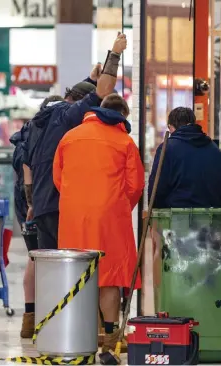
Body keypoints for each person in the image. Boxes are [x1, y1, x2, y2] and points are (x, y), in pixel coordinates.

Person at [53, 94, 145, 352]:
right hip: (110, 218)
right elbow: (135, 185)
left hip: (73, 218)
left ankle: (86, 335)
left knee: (81, 274)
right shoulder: (124, 141)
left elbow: (58, 179)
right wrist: (119, 206)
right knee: (110, 275)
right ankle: (111, 337)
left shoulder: (69, 138)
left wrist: (76, 201)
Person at [23, 33, 128, 250]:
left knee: (49, 271)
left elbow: (27, 166)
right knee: (71, 273)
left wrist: (31, 202)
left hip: (42, 206)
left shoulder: (41, 119)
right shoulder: (69, 117)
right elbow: (103, 91)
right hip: (62, 207)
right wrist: (115, 54)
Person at [9, 95, 64, 338]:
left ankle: (30, 319)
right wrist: (33, 204)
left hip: (28, 201)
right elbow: (27, 174)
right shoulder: (39, 135)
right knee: (42, 259)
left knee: (35, 258)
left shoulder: (28, 133)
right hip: (35, 202)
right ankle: (41, 318)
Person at [148, 107, 221, 209]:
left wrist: (155, 211)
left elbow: (157, 188)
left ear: (171, 127)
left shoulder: (167, 148)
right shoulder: (214, 149)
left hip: (176, 218)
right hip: (211, 218)